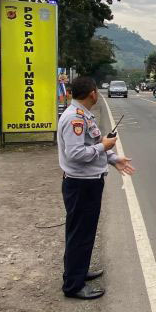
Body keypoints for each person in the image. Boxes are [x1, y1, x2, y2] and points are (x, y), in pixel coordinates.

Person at [57, 76, 135, 299]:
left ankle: (78, 272)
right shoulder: (75, 118)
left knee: (84, 232)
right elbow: (76, 154)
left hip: (88, 182)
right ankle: (73, 285)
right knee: (80, 233)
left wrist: (114, 158)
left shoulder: (84, 115)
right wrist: (105, 146)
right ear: (92, 93)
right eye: (97, 91)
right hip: (81, 184)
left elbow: (93, 144)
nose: (98, 94)